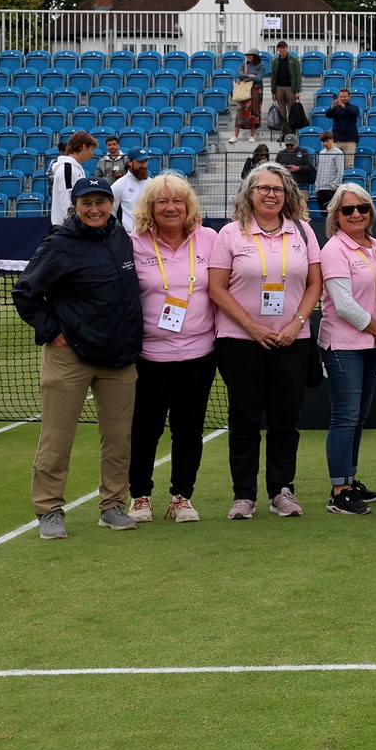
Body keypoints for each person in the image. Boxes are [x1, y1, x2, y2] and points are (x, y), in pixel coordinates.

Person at [14, 175, 144, 538]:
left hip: (119, 356)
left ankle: (113, 505)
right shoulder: (59, 245)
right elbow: (25, 294)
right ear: (75, 207)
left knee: (119, 440)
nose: (95, 209)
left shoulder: (121, 237)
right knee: (56, 439)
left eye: (101, 202)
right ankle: (49, 510)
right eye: (87, 203)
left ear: (110, 204)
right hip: (70, 357)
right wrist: (53, 332)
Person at [208, 163, 322, 520]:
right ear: (249, 194)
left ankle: (281, 490)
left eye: (278, 189)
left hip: (293, 340)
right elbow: (216, 288)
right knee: (244, 419)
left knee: (285, 419)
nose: (271, 194)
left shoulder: (303, 231)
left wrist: (297, 323)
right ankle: (244, 495)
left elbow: (315, 284)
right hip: (239, 342)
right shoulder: (230, 234)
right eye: (263, 188)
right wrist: (252, 327)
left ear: (287, 195)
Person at [124, 174, 217, 526]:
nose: (170, 207)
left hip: (199, 354)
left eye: (178, 200)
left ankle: (182, 496)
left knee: (189, 428)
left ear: (188, 205)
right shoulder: (133, 244)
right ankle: (140, 496)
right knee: (145, 428)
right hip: (149, 357)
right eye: (162, 201)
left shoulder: (209, 239)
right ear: (149, 207)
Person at [316, 183, 376, 515]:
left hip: (369, 340)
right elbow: (344, 304)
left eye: (362, 208)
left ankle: (349, 477)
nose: (356, 214)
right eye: (348, 210)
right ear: (336, 215)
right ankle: (339, 490)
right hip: (344, 343)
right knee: (345, 416)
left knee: (359, 416)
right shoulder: (334, 249)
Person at [49, 131, 97, 227]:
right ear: (83, 147)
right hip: (67, 229)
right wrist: (72, 227)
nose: (92, 154)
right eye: (91, 150)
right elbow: (68, 200)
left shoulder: (76, 168)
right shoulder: (67, 168)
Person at [111, 151, 149, 234]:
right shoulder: (119, 185)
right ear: (130, 162)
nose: (144, 165)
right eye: (140, 162)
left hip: (150, 234)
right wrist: (119, 231)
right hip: (129, 235)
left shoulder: (152, 183)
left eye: (145, 162)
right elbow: (111, 211)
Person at [323, 86, 361, 168]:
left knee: (348, 165)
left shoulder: (354, 107)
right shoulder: (336, 108)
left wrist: (342, 105)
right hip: (337, 140)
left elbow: (355, 113)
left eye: (344, 96)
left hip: (349, 141)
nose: (343, 98)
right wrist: (332, 107)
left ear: (349, 97)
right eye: (341, 96)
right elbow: (328, 115)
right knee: (334, 165)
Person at [232, 53, 265, 144]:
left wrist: (246, 77)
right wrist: (251, 76)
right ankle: (235, 136)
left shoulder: (261, 66)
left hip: (255, 92)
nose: (248, 57)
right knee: (239, 113)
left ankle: (252, 136)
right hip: (244, 91)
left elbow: (258, 78)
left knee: (254, 113)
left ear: (255, 57)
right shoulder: (243, 65)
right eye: (248, 56)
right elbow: (239, 75)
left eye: (251, 55)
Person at [313, 132, 345, 216]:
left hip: (331, 189)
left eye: (327, 141)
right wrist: (317, 187)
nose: (325, 143)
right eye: (323, 142)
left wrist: (334, 186)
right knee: (323, 213)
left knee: (332, 214)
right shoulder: (322, 153)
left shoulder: (338, 153)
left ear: (332, 140)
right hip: (321, 189)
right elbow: (319, 170)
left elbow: (340, 171)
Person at [269, 41, 302, 125]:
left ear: (287, 48)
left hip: (290, 88)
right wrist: (273, 92)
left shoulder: (294, 60)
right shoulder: (275, 61)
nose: (282, 49)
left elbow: (298, 76)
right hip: (278, 88)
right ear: (277, 49)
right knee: (282, 112)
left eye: (283, 47)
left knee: (291, 110)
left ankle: (292, 131)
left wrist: (297, 90)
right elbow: (273, 77)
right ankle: (284, 131)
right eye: (280, 48)